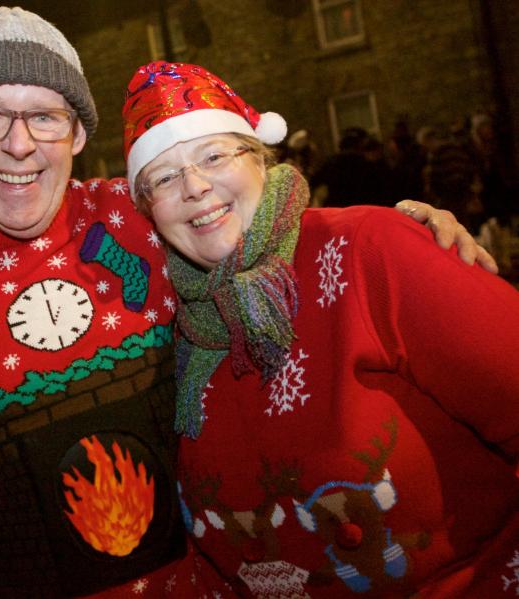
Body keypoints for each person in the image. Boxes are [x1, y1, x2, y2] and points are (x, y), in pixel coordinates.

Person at [0, 7, 496, 598]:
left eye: (45, 116)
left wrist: (405, 231)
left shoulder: (131, 219)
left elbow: (251, 226)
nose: (19, 144)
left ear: (78, 135)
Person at [122, 61, 519, 598]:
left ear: (260, 158)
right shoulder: (168, 324)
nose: (194, 186)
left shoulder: (371, 251)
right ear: (147, 210)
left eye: (214, 156)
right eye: (164, 178)